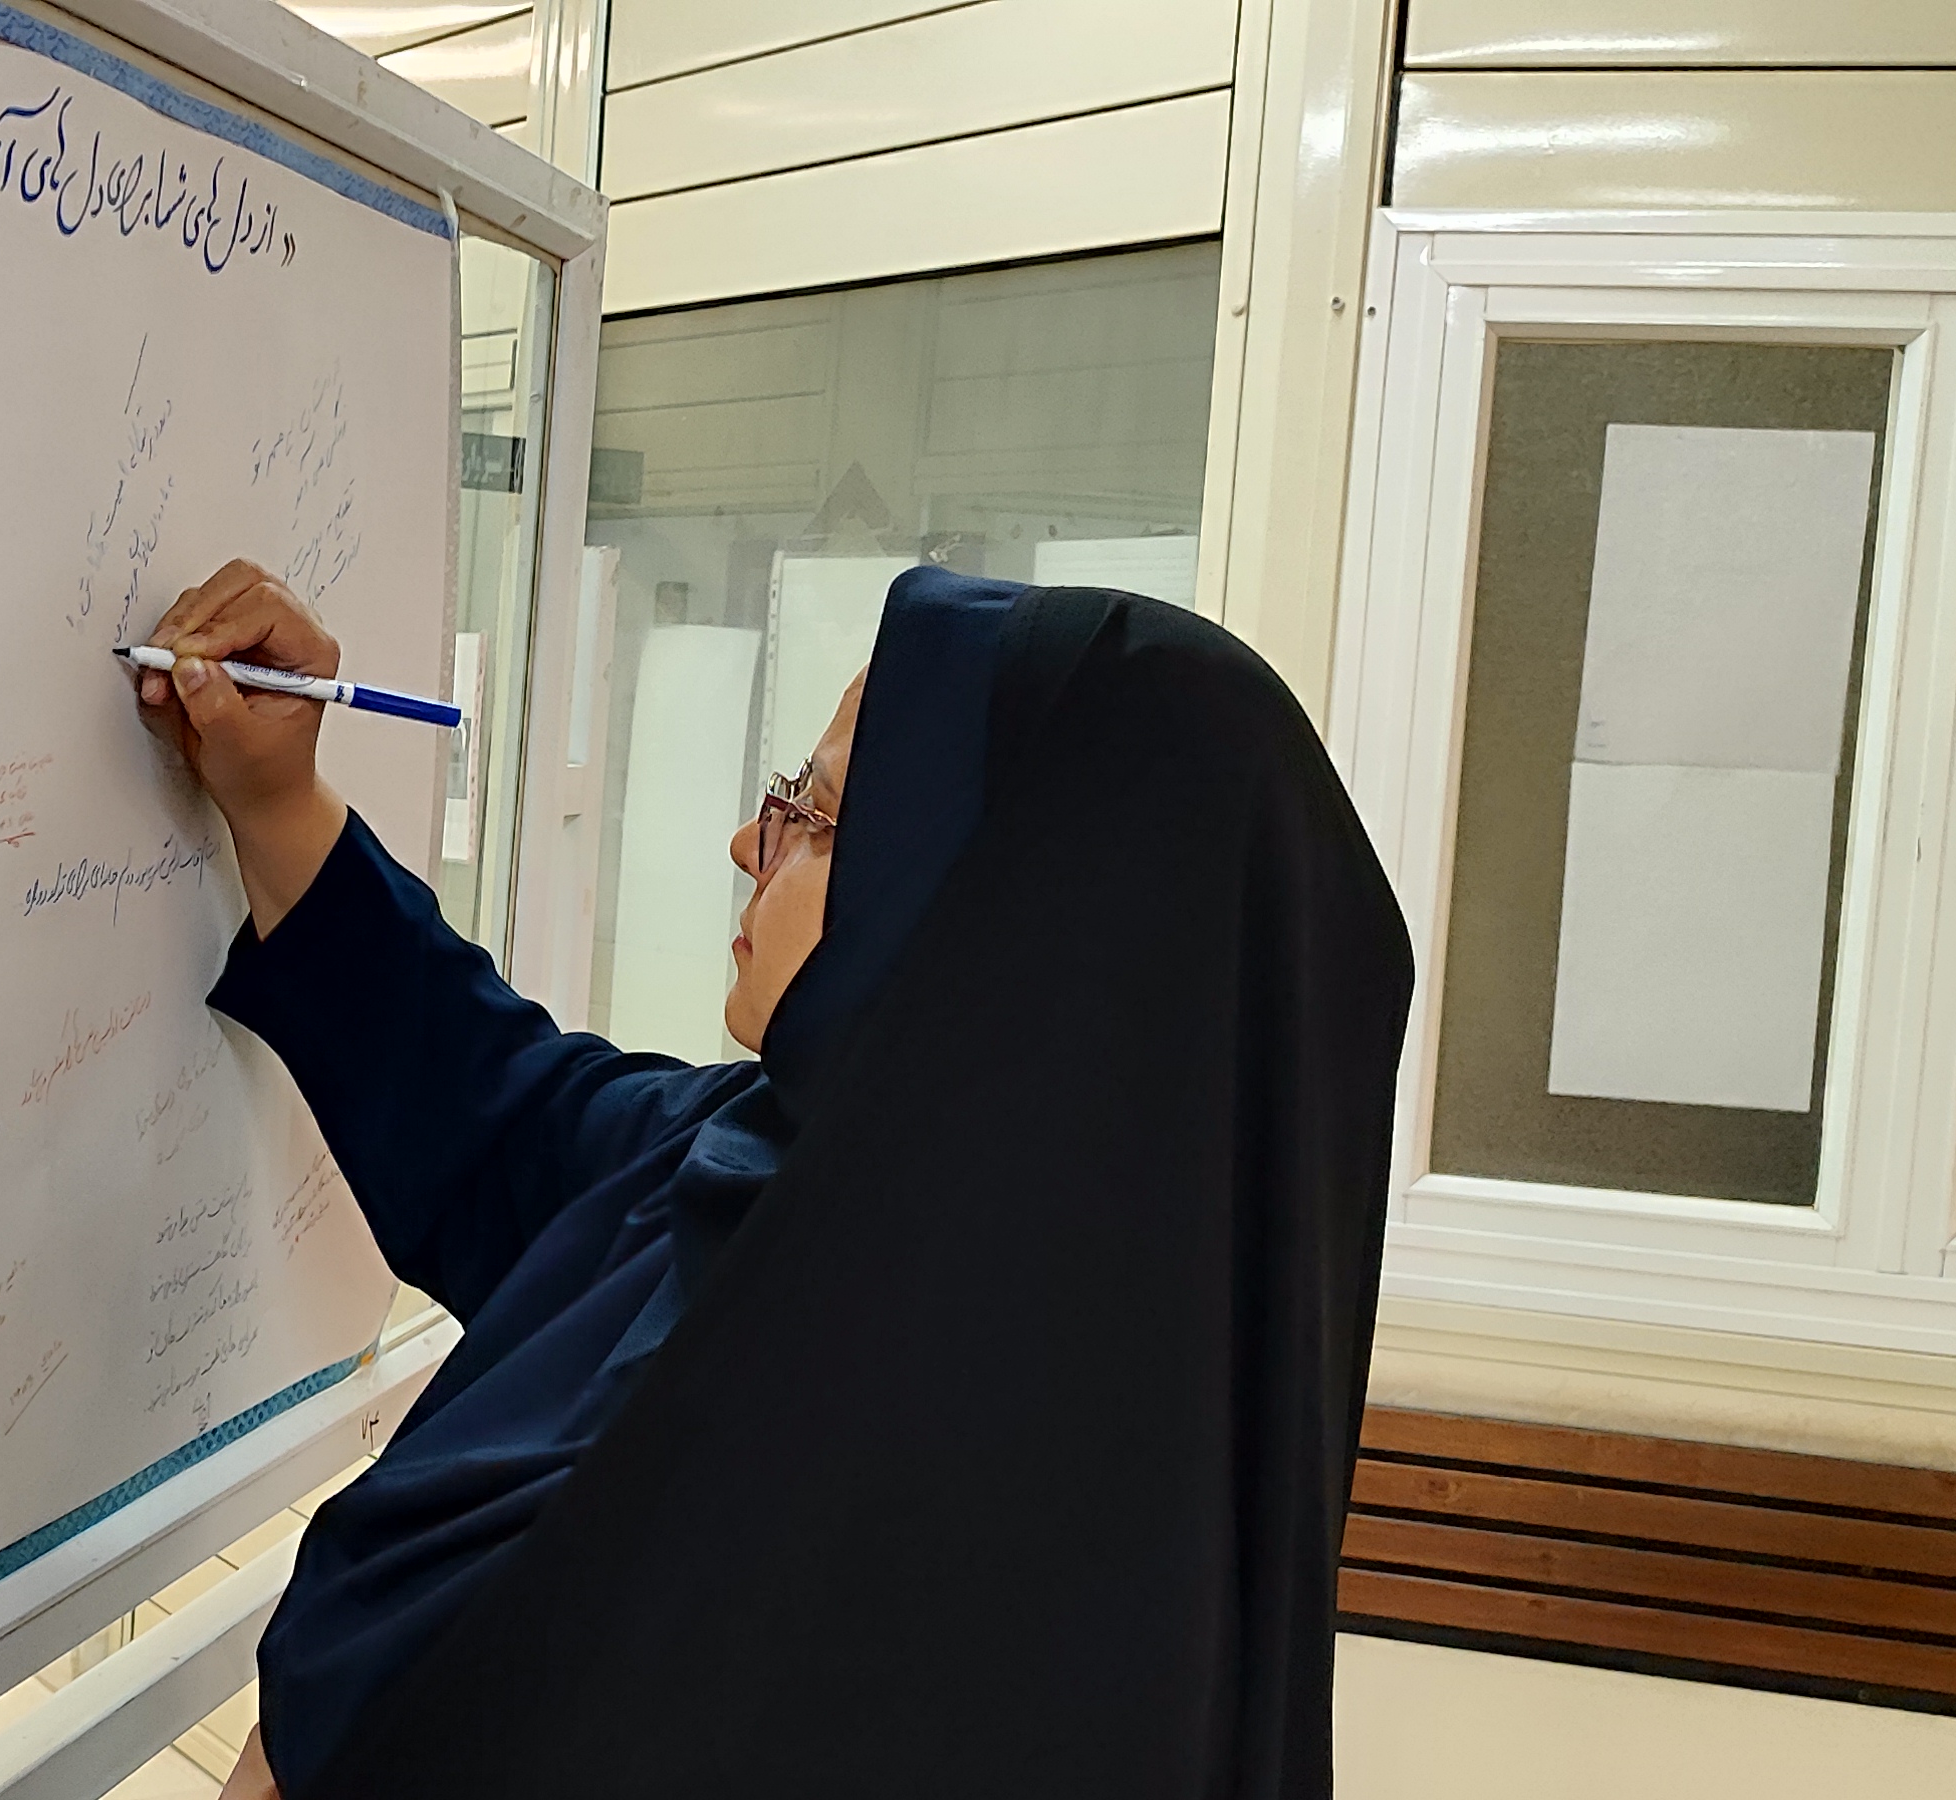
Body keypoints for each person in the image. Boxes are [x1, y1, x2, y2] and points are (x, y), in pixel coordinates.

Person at [129, 557, 1413, 1799]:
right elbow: (507, 1111)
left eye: (821, 815)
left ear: (999, 921)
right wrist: (276, 798)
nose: (751, 841)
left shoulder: (1003, 1545)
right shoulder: (783, 1170)